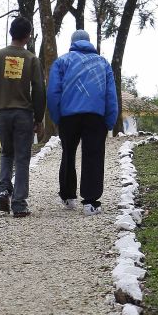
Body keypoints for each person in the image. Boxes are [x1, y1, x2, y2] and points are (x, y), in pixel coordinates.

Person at [47, 28, 119, 215]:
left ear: (72, 43)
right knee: (93, 155)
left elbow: (54, 92)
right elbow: (111, 95)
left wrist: (57, 117)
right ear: (89, 42)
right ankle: (91, 202)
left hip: (68, 117)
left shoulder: (62, 61)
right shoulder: (103, 63)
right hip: (96, 117)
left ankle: (68, 196)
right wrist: (109, 120)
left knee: (68, 153)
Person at [0, 15, 45, 218]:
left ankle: (3, 190)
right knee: (22, 158)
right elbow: (38, 89)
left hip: (1, 112)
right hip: (23, 114)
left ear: (11, 33)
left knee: (6, 153)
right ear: (28, 36)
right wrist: (39, 117)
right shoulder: (31, 59)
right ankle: (19, 203)